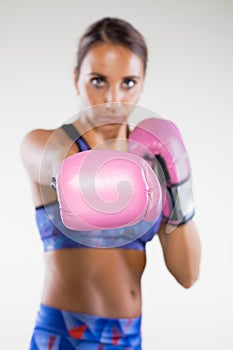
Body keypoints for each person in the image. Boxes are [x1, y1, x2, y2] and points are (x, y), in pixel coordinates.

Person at [21, 17, 201, 350]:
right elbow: (61, 171)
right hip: (63, 339)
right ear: (77, 79)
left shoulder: (156, 159)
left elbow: (187, 274)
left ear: (143, 82)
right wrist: (145, 179)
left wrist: (178, 186)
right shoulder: (49, 144)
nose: (113, 99)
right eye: (99, 81)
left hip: (129, 341)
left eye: (129, 82)